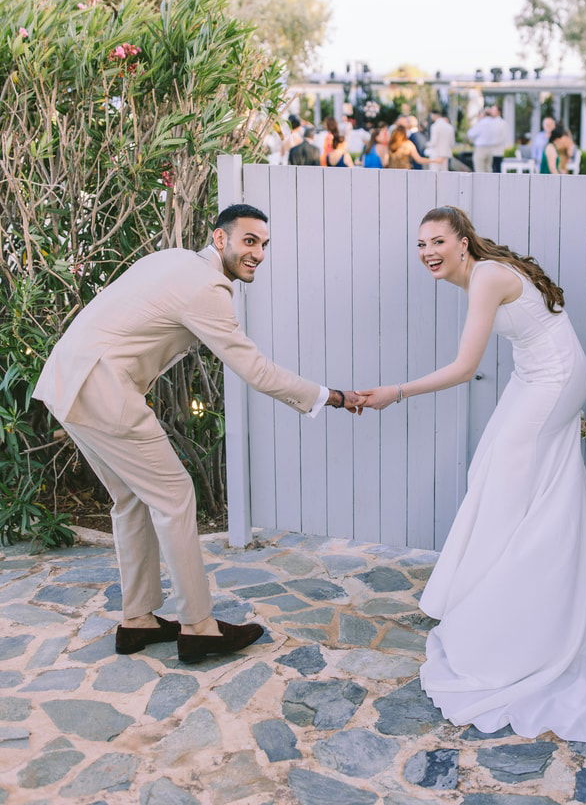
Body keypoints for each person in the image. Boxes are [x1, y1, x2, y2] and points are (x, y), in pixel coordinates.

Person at [358, 205, 586, 742]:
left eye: (437, 241)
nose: (428, 252)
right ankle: (504, 595)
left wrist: (397, 392)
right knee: (496, 474)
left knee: (516, 489)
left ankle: (519, 615)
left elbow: (465, 367)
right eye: (421, 244)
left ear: (463, 242)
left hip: (552, 381)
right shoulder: (482, 271)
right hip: (536, 378)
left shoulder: (486, 276)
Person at [33, 205, 363, 664]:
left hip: (67, 382)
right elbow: (256, 370)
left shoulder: (172, 259)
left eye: (264, 244)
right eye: (249, 241)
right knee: (174, 496)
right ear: (220, 239)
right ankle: (198, 627)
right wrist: (333, 396)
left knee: (131, 499)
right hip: (104, 391)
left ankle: (138, 620)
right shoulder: (207, 287)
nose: (258, 253)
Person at [467, 109, 499, 173]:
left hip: (481, 148)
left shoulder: (481, 123)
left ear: (483, 115)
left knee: (479, 169)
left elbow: (470, 134)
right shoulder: (495, 123)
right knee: (488, 169)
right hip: (491, 148)